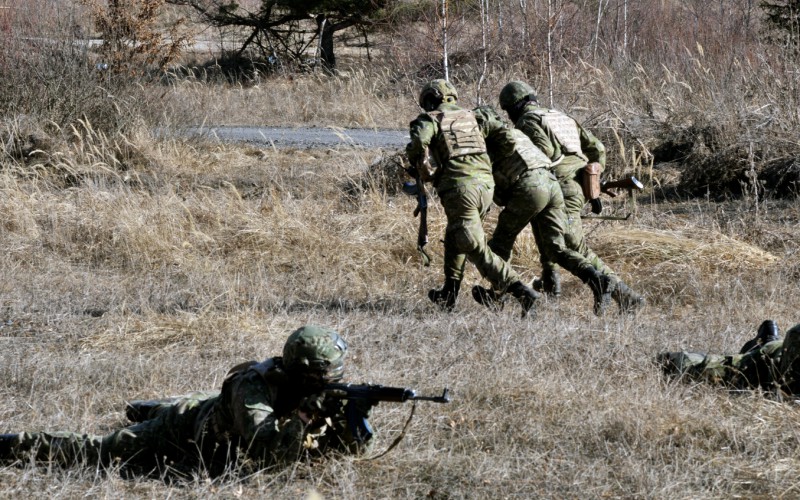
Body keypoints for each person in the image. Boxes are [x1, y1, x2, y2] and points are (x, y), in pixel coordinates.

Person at [0, 326, 374, 476]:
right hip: (188, 430)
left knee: (184, 403)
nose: (334, 383)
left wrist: (355, 414)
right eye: (327, 378)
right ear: (305, 373)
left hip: (218, 409)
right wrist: (306, 415)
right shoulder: (253, 387)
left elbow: (350, 449)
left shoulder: (312, 391)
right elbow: (265, 453)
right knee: (104, 450)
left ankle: (150, 407)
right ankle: (13, 444)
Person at [498, 81, 644, 313]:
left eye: (508, 111)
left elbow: (544, 154)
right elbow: (598, 148)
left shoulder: (527, 121)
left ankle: (626, 296)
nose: (509, 116)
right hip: (574, 184)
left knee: (574, 247)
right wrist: (592, 181)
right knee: (548, 235)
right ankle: (551, 286)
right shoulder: (559, 117)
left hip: (562, 186)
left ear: (515, 106)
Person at [406, 79, 540, 316]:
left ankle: (521, 292)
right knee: (455, 235)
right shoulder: (475, 116)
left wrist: (416, 161)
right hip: (486, 186)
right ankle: (449, 293)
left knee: (472, 244)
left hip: (460, 187)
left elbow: (418, 142)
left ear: (430, 100)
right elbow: (507, 139)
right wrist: (486, 161)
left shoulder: (430, 119)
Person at [470, 105, 615, 314]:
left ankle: (498, 294)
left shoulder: (490, 143)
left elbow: (489, 185)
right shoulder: (518, 134)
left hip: (530, 189)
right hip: (553, 186)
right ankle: (597, 280)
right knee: (556, 248)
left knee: (500, 243)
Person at [658, 320, 800, 397]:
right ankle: (766, 345)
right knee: (691, 368)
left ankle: (767, 343)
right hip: (764, 367)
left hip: (780, 355)